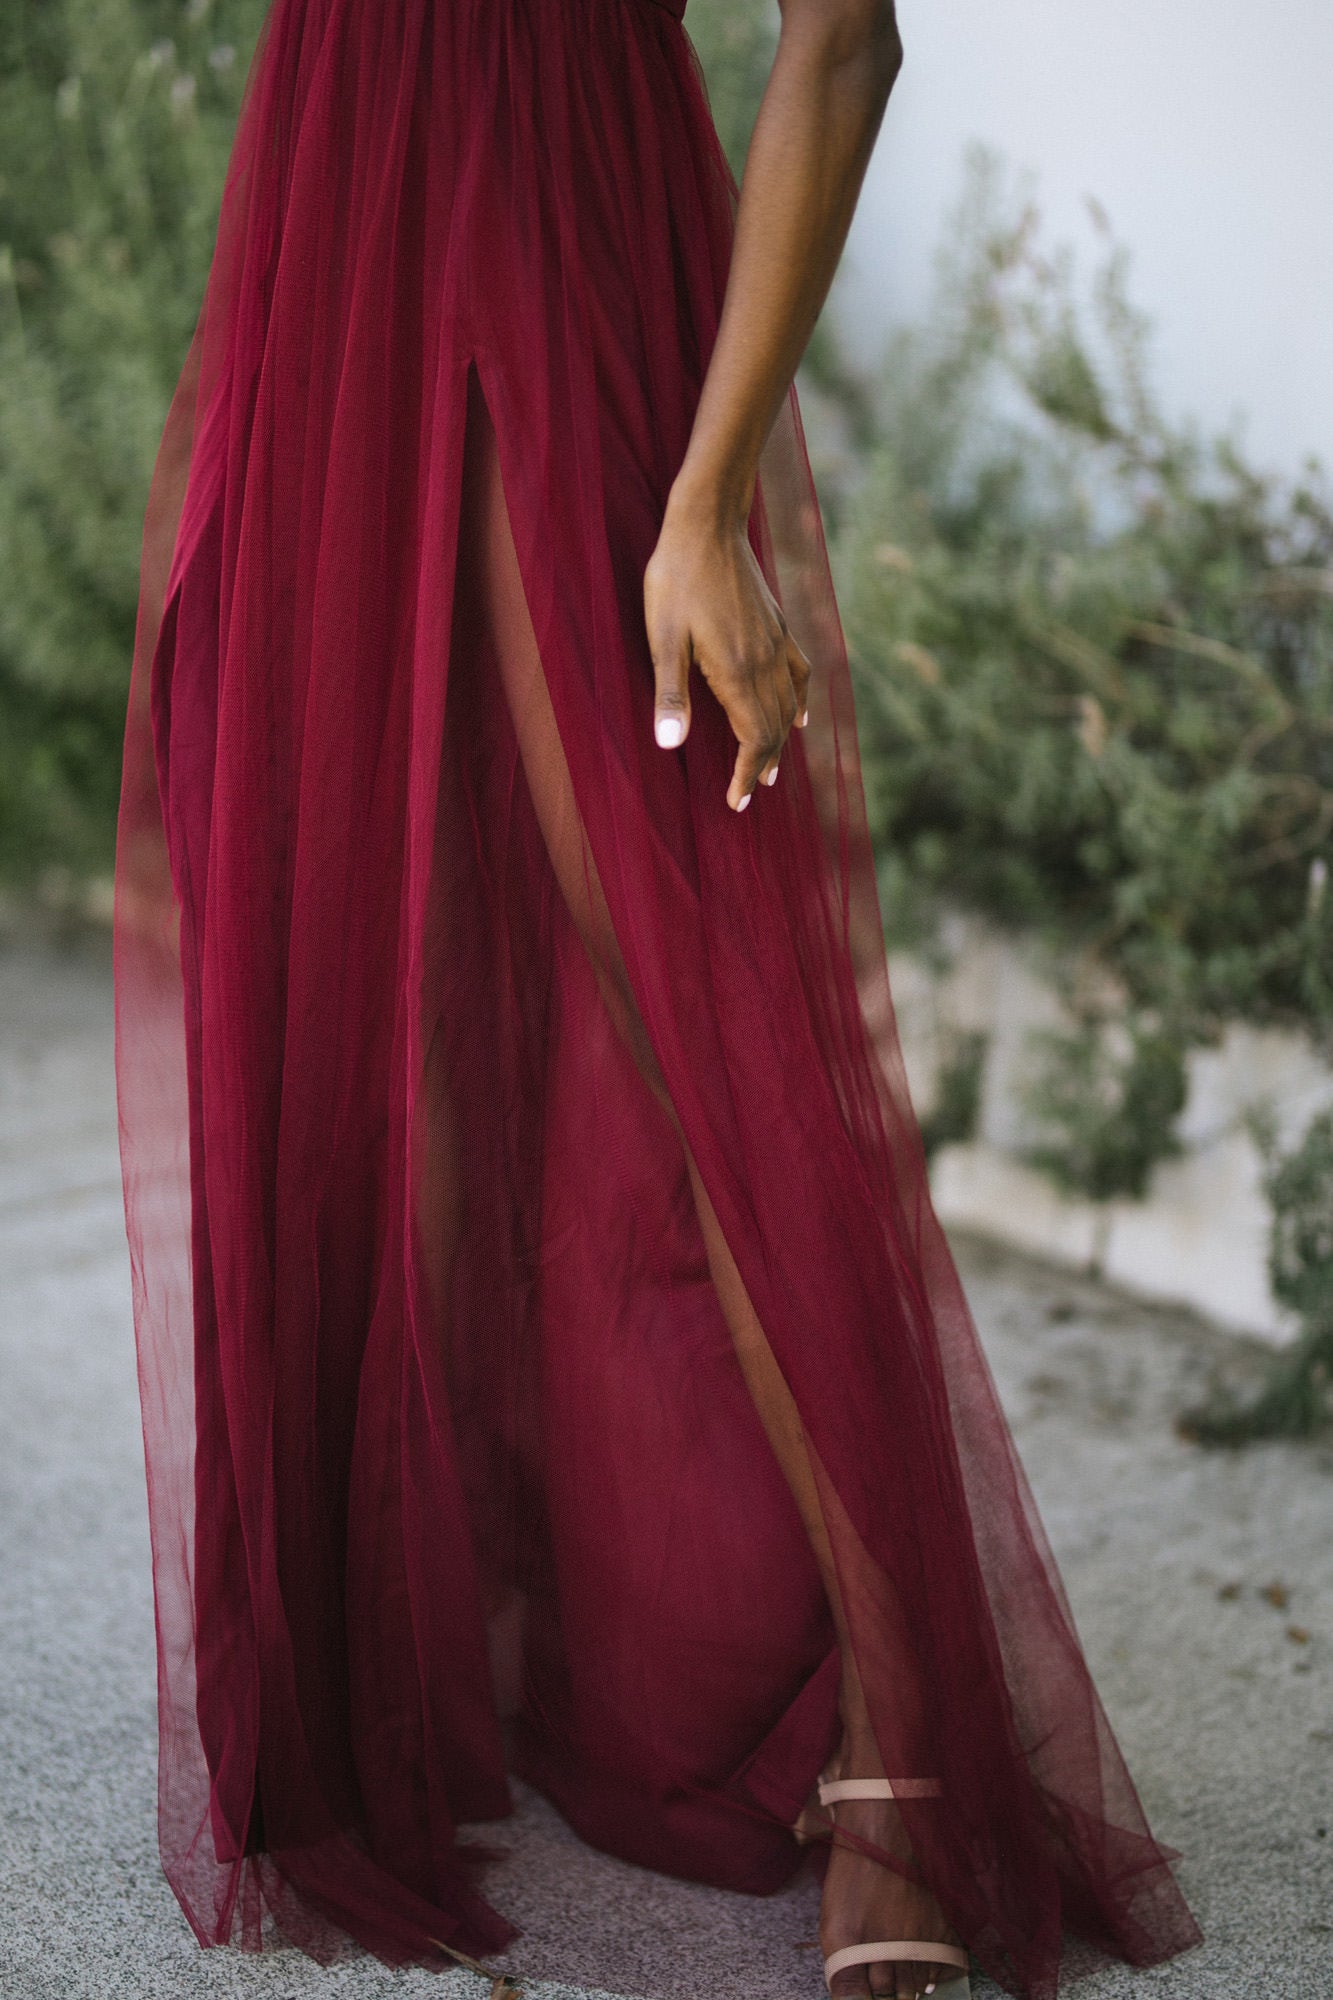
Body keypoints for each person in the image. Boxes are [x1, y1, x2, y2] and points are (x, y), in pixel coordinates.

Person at [111, 1, 1202, 1996]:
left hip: (559, 253)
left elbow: (844, 39)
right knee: (368, 979)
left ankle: (907, 1742)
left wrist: (703, 504)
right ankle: (444, 1647)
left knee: (690, 996)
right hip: (325, 249)